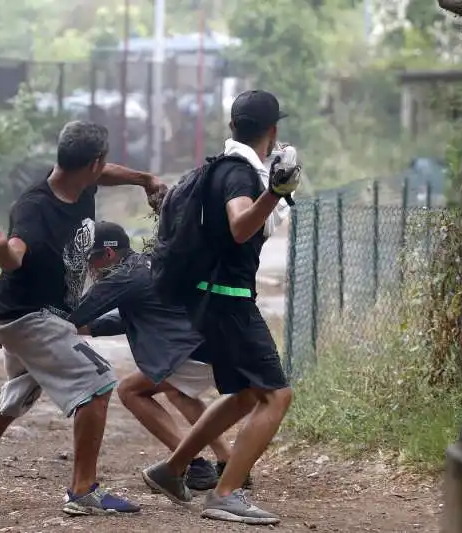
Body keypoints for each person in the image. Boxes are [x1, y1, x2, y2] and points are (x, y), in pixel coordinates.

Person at [0, 121, 167, 516]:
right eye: (100, 165)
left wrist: (145, 179)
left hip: (23, 317)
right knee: (99, 381)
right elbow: (15, 255)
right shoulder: (34, 207)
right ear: (92, 162)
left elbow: (106, 174)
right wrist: (0, 246)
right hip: (31, 316)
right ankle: (83, 490)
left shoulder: (83, 181)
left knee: (15, 398)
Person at [140, 90, 300, 525]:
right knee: (276, 396)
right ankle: (225, 492)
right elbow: (240, 225)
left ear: (232, 126)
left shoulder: (222, 167)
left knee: (248, 394)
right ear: (273, 131)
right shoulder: (240, 175)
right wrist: (275, 191)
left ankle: (171, 469)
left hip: (210, 298)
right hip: (228, 301)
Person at [62, 220, 252, 491]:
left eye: (92, 261)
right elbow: (136, 317)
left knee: (130, 391)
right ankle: (229, 462)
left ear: (108, 254)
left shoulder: (123, 277)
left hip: (194, 349)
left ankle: (192, 463)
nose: (90, 269)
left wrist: (28, 322)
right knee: (177, 391)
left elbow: (74, 313)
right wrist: (89, 328)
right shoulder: (147, 264)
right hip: (215, 342)